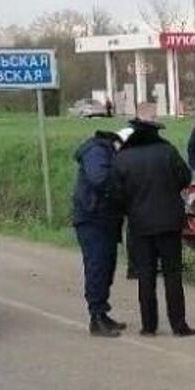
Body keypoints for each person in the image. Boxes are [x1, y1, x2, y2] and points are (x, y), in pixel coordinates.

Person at [110, 118, 195, 338]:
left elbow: (116, 194)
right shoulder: (167, 151)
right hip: (169, 223)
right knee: (172, 275)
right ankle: (179, 325)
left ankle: (149, 326)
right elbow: (185, 178)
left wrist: (130, 208)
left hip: (140, 225)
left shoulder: (122, 158)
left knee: (146, 276)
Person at [69, 128, 127, 337]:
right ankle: (96, 317)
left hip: (104, 218)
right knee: (97, 266)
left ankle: (102, 312)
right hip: (92, 219)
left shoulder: (103, 152)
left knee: (106, 266)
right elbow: (100, 179)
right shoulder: (96, 152)